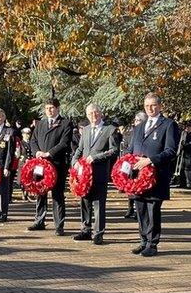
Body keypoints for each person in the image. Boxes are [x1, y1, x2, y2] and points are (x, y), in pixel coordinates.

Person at [127, 93, 179, 257]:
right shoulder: (139, 127)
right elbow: (130, 149)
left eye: (154, 105)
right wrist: (126, 162)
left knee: (152, 210)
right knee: (140, 209)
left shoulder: (169, 125)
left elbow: (171, 151)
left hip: (156, 176)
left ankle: (152, 243)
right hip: (138, 177)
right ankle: (143, 241)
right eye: (147, 105)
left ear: (160, 106)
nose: (150, 108)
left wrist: (150, 161)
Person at [71, 103, 120, 244]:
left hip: (99, 173)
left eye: (96, 113)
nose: (93, 116)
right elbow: (80, 149)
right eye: (90, 113)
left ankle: (98, 233)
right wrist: (74, 161)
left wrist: (96, 157)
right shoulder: (85, 130)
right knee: (85, 202)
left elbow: (113, 150)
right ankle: (85, 230)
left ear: (101, 113)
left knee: (99, 203)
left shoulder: (110, 130)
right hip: (84, 175)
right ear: (87, 115)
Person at [27, 98, 74, 235]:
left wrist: (49, 153)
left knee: (57, 195)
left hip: (56, 164)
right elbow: (33, 140)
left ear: (58, 109)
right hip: (40, 164)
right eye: (47, 108)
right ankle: (39, 220)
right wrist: (37, 152)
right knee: (40, 192)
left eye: (52, 108)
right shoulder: (41, 124)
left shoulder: (65, 123)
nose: (49, 110)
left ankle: (59, 225)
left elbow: (64, 143)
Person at [121, 112, 147, 220]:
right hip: (132, 164)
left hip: (144, 165)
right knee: (131, 187)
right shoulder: (133, 133)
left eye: (138, 120)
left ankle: (138, 210)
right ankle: (130, 208)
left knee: (140, 189)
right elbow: (129, 148)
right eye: (135, 120)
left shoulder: (147, 132)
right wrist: (125, 156)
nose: (136, 122)